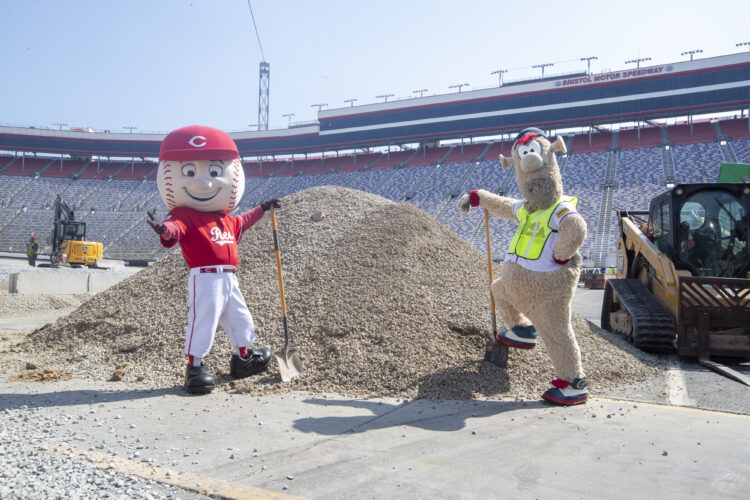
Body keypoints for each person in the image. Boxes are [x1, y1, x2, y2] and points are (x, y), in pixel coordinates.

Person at [147, 124, 280, 394]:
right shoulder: (185, 214)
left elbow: (244, 220)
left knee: (240, 318)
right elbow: (174, 229)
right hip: (205, 277)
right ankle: (194, 367)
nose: (204, 183)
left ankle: (243, 358)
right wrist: (164, 229)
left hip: (230, 277)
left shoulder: (226, 220)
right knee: (203, 320)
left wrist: (263, 208)